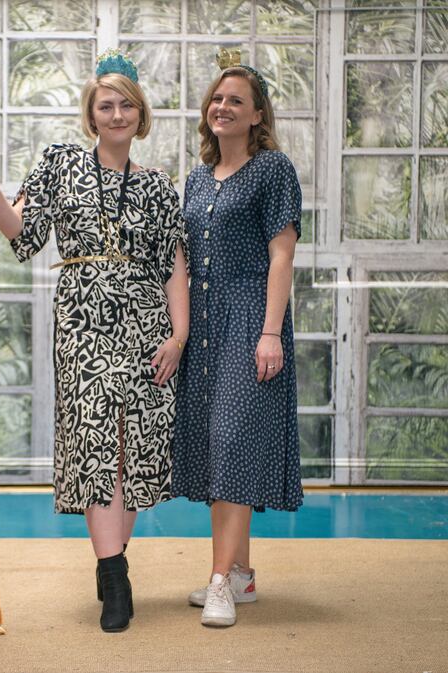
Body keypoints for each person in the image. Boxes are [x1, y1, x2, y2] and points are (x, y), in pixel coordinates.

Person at [0, 49, 189, 633]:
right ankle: (115, 578)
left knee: (132, 450)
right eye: (105, 105)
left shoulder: (161, 186)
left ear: (140, 115)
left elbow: (174, 268)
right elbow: (23, 234)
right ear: (91, 115)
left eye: (126, 105)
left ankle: (112, 564)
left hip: (147, 326)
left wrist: (180, 334)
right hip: (85, 325)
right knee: (95, 446)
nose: (116, 115)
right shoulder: (61, 164)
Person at [171, 48, 304, 628]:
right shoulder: (197, 179)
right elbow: (181, 258)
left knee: (231, 444)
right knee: (215, 445)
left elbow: (282, 255)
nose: (223, 107)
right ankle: (241, 572)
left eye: (236, 101)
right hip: (204, 325)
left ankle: (220, 580)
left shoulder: (274, 170)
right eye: (217, 99)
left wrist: (270, 331)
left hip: (252, 318)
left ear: (257, 116)